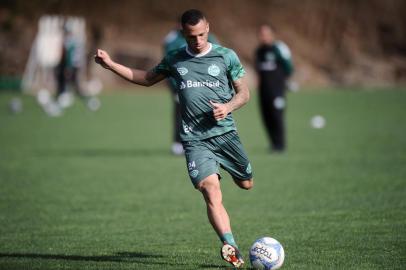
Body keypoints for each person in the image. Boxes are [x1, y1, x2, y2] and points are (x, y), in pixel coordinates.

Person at [95, 9, 253, 268]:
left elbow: (244, 93)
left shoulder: (226, 56)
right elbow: (146, 79)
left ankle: (237, 182)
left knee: (246, 183)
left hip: (226, 135)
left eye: (202, 34)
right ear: (183, 35)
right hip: (194, 140)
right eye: (192, 37)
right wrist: (110, 64)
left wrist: (228, 107)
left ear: (208, 28)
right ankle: (230, 245)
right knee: (210, 190)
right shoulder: (175, 59)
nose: (198, 40)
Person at [163, 21, 219, 155]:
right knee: (180, 113)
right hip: (181, 86)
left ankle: (208, 140)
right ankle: (178, 142)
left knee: (206, 111)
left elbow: (217, 57)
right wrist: (174, 85)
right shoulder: (172, 40)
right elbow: (168, 63)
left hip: (204, 85)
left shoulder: (208, 37)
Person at [255, 24, 294, 152]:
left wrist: (283, 82)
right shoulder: (259, 51)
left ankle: (280, 145)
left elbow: (288, 67)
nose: (263, 36)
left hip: (277, 91)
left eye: (266, 33)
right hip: (263, 91)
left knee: (277, 116)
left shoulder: (279, 48)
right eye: (261, 34)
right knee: (266, 117)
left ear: (272, 34)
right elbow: (259, 70)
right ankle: (273, 144)